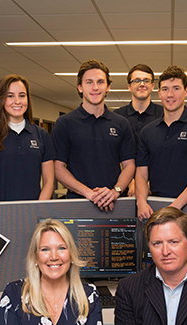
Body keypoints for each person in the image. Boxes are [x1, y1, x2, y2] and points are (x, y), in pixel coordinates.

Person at [53, 59, 136, 212]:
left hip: (115, 204)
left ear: (108, 87)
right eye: (89, 82)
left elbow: (129, 165)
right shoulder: (65, 123)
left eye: (100, 82)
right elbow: (57, 167)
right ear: (80, 87)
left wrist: (115, 191)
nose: (95, 87)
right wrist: (89, 194)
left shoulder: (121, 123)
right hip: (78, 203)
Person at [135, 65, 187, 219]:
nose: (170, 94)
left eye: (176, 88)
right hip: (154, 206)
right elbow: (141, 175)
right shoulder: (147, 131)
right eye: (165, 89)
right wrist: (141, 202)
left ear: (186, 91)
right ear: (158, 93)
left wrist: (175, 207)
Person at [0, 74, 55, 201]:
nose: (17, 101)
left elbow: (49, 180)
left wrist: (38, 209)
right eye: (10, 96)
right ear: (1, 99)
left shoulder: (41, 135)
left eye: (22, 95)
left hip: (34, 212)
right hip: (0, 211)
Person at [114, 64, 164, 143]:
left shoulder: (163, 115)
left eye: (146, 81)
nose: (142, 84)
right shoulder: (117, 116)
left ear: (152, 86)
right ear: (129, 87)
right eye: (137, 81)